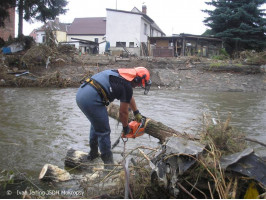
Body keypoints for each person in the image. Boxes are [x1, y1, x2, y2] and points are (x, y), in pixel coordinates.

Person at [76, 67, 152, 168]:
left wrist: (136, 112)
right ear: (136, 79)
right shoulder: (126, 85)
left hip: (82, 93)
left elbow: (129, 96)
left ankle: (93, 154)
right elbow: (123, 113)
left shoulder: (121, 73)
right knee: (104, 131)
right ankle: (109, 165)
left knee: (96, 125)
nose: (138, 86)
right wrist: (126, 128)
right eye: (138, 84)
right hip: (91, 99)